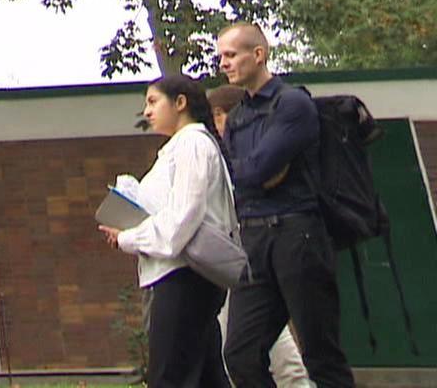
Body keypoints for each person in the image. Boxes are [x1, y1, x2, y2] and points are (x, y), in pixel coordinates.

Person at [214, 22, 354, 388]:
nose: (223, 64)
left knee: (320, 353)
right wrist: (254, 173)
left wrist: (254, 173)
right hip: (254, 239)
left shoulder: (293, 103)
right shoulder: (239, 115)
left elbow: (256, 169)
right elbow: (239, 177)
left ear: (258, 54)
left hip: (298, 234)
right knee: (240, 353)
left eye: (231, 55)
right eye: (220, 57)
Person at [96, 73, 234, 388]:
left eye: (153, 101)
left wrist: (128, 237)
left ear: (181, 102)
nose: (147, 111)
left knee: (169, 377)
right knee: (205, 376)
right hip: (183, 274)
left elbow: (182, 218)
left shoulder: (193, 145)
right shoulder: (181, 147)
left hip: (184, 274)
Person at [209, 85, 315, 388]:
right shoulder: (224, 150)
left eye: (220, 114)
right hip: (234, 259)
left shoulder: (250, 145)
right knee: (242, 349)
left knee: (284, 348)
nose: (219, 123)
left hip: (255, 252)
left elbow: (263, 177)